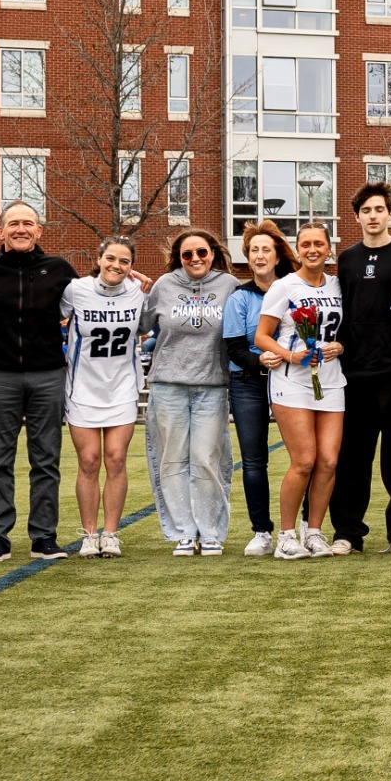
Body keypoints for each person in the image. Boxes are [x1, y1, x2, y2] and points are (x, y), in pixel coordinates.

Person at [0, 202, 83, 562]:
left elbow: (93, 297)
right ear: (0, 232)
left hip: (47, 373)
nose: (21, 229)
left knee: (46, 460)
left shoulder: (60, 269)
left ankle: (43, 537)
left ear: (39, 231)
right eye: (13, 223)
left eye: (28, 223)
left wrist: (132, 280)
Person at [334, 184, 391, 554]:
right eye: (366, 210)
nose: (373, 215)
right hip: (353, 375)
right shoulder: (347, 259)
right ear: (357, 217)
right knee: (352, 458)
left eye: (379, 209)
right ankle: (347, 533)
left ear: (390, 213)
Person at [143, 228, 242, 556]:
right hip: (168, 385)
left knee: (206, 459)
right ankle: (184, 531)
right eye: (188, 254)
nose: (195, 259)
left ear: (212, 253)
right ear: (179, 258)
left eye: (202, 252)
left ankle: (210, 531)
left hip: (211, 386)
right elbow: (141, 323)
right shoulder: (164, 285)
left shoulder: (229, 286)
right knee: (172, 460)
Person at [256, 222, 347, 561]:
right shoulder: (284, 286)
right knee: (304, 460)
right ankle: (286, 535)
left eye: (318, 244)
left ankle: (314, 532)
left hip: (331, 380)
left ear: (328, 248)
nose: (312, 249)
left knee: (328, 460)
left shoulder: (338, 285)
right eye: (306, 244)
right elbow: (262, 336)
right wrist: (289, 355)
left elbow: (348, 328)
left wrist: (340, 346)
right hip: (292, 381)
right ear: (298, 249)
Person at [62, 237, 147, 560]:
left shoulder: (138, 293)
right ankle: (89, 534)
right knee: (88, 462)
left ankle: (110, 533)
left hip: (122, 387)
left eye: (124, 261)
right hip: (83, 387)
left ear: (131, 266)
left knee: (115, 459)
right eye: (111, 258)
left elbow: (150, 322)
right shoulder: (76, 289)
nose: (116, 266)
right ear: (99, 259)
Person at [224, 220, 294, 557]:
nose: (260, 255)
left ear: (278, 255)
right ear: (248, 258)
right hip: (249, 382)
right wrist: (259, 362)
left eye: (267, 249)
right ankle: (262, 531)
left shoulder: (294, 289)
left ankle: (303, 528)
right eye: (254, 250)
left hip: (293, 381)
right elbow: (235, 348)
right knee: (254, 461)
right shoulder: (240, 297)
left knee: (303, 458)